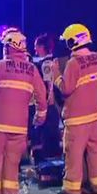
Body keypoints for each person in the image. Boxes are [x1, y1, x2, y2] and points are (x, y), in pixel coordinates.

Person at [0, 28, 48, 194]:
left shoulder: (1, 66)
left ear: (10, 47)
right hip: (19, 126)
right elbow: (41, 95)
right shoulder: (32, 70)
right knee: (12, 161)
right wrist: (40, 116)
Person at [52, 23, 97, 194]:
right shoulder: (96, 58)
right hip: (94, 115)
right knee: (96, 152)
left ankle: (71, 187)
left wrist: (56, 76)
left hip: (76, 118)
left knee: (73, 154)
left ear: (72, 42)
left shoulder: (73, 63)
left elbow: (66, 89)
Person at [30, 33, 62, 163]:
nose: (35, 49)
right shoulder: (52, 60)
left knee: (47, 134)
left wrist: (49, 99)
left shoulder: (46, 63)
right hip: (49, 104)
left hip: (48, 104)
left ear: (42, 47)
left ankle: (48, 164)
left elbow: (49, 83)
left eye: (36, 46)